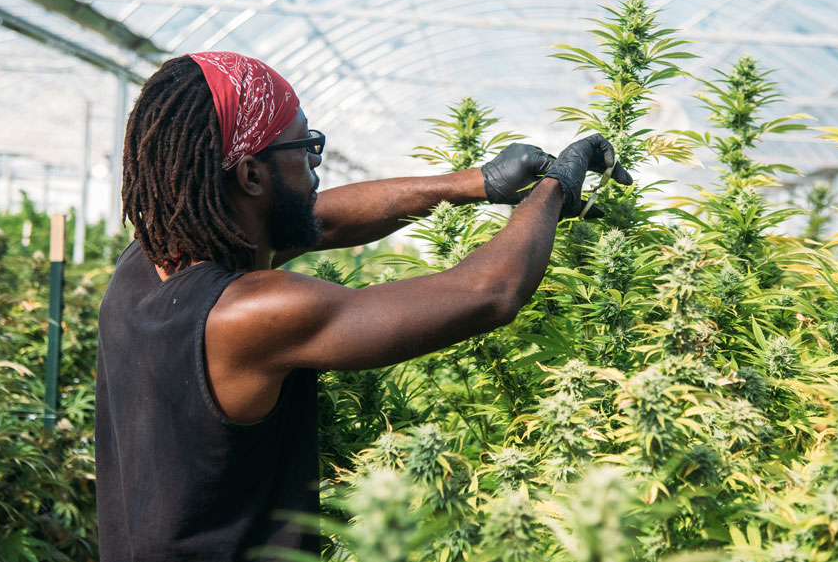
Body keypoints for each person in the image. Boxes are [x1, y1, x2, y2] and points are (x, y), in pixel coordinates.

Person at [94, 52, 631, 561]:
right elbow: (489, 291)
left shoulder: (146, 260)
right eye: (304, 147)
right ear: (252, 176)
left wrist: (481, 184)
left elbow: (323, 217)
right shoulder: (246, 315)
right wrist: (558, 186)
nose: (315, 164)